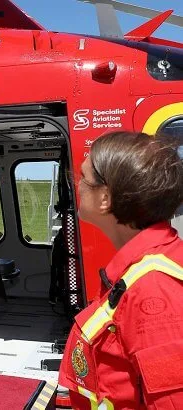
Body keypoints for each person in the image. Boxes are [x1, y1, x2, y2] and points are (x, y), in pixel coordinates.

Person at [58, 131, 183, 409]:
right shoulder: (142, 270)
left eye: (83, 178)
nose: (77, 186)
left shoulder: (154, 290)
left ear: (105, 198)